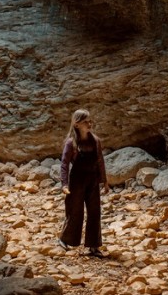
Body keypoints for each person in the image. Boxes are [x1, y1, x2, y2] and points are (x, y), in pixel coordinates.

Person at [57, 108, 110, 257]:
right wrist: (64, 184)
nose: (89, 124)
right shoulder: (71, 143)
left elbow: (100, 160)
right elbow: (64, 164)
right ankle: (65, 240)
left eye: (89, 121)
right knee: (75, 211)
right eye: (86, 121)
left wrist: (104, 181)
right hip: (77, 180)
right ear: (77, 124)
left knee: (94, 212)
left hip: (92, 180)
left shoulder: (95, 141)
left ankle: (93, 245)